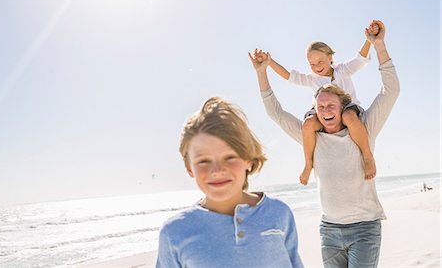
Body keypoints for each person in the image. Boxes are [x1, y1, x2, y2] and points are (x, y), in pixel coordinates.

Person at [250, 20, 400, 267]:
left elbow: (390, 91)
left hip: (365, 229)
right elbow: (275, 112)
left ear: (343, 107)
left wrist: (379, 45)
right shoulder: (312, 137)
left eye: (331, 106)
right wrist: (262, 72)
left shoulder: (363, 127)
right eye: (320, 107)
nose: (325, 111)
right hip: (329, 231)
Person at [155, 97, 304, 268]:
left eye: (229, 157)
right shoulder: (175, 232)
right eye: (204, 161)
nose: (217, 170)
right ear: (189, 167)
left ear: (248, 159)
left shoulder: (278, 213)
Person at [254, 24, 379, 185]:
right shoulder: (312, 79)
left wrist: (368, 41)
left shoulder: (342, 71)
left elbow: (360, 59)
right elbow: (288, 76)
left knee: (348, 116)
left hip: (348, 108)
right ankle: (308, 164)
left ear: (330, 57)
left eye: (320, 61)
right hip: (324, 113)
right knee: (307, 124)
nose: (317, 67)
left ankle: (368, 156)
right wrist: (269, 62)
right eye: (312, 64)